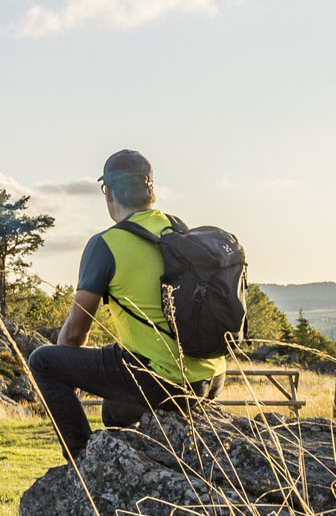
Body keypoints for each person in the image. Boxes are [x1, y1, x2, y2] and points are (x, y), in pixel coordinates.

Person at [27, 149, 223, 461]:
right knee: (114, 411)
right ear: (151, 190)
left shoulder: (105, 244)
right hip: (210, 379)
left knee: (43, 362)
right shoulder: (179, 230)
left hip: (162, 381)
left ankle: (82, 465)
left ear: (108, 193)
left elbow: (74, 334)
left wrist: (68, 373)